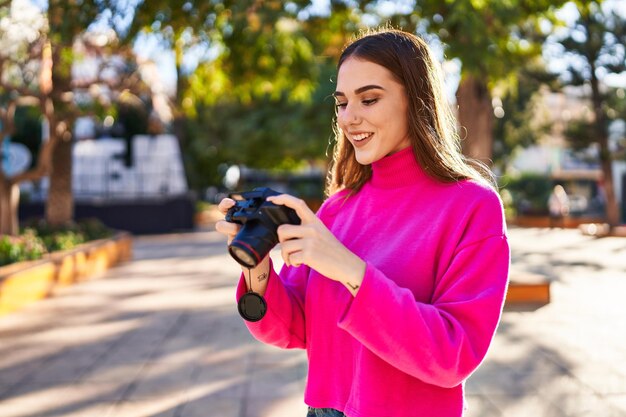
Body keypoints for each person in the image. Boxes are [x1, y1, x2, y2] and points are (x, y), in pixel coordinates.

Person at [216, 28, 510, 417]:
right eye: (341, 103)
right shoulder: (337, 209)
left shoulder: (472, 206)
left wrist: (348, 268)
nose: (349, 119)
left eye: (369, 99)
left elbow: (454, 354)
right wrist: (257, 270)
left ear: (416, 101)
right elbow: (296, 328)